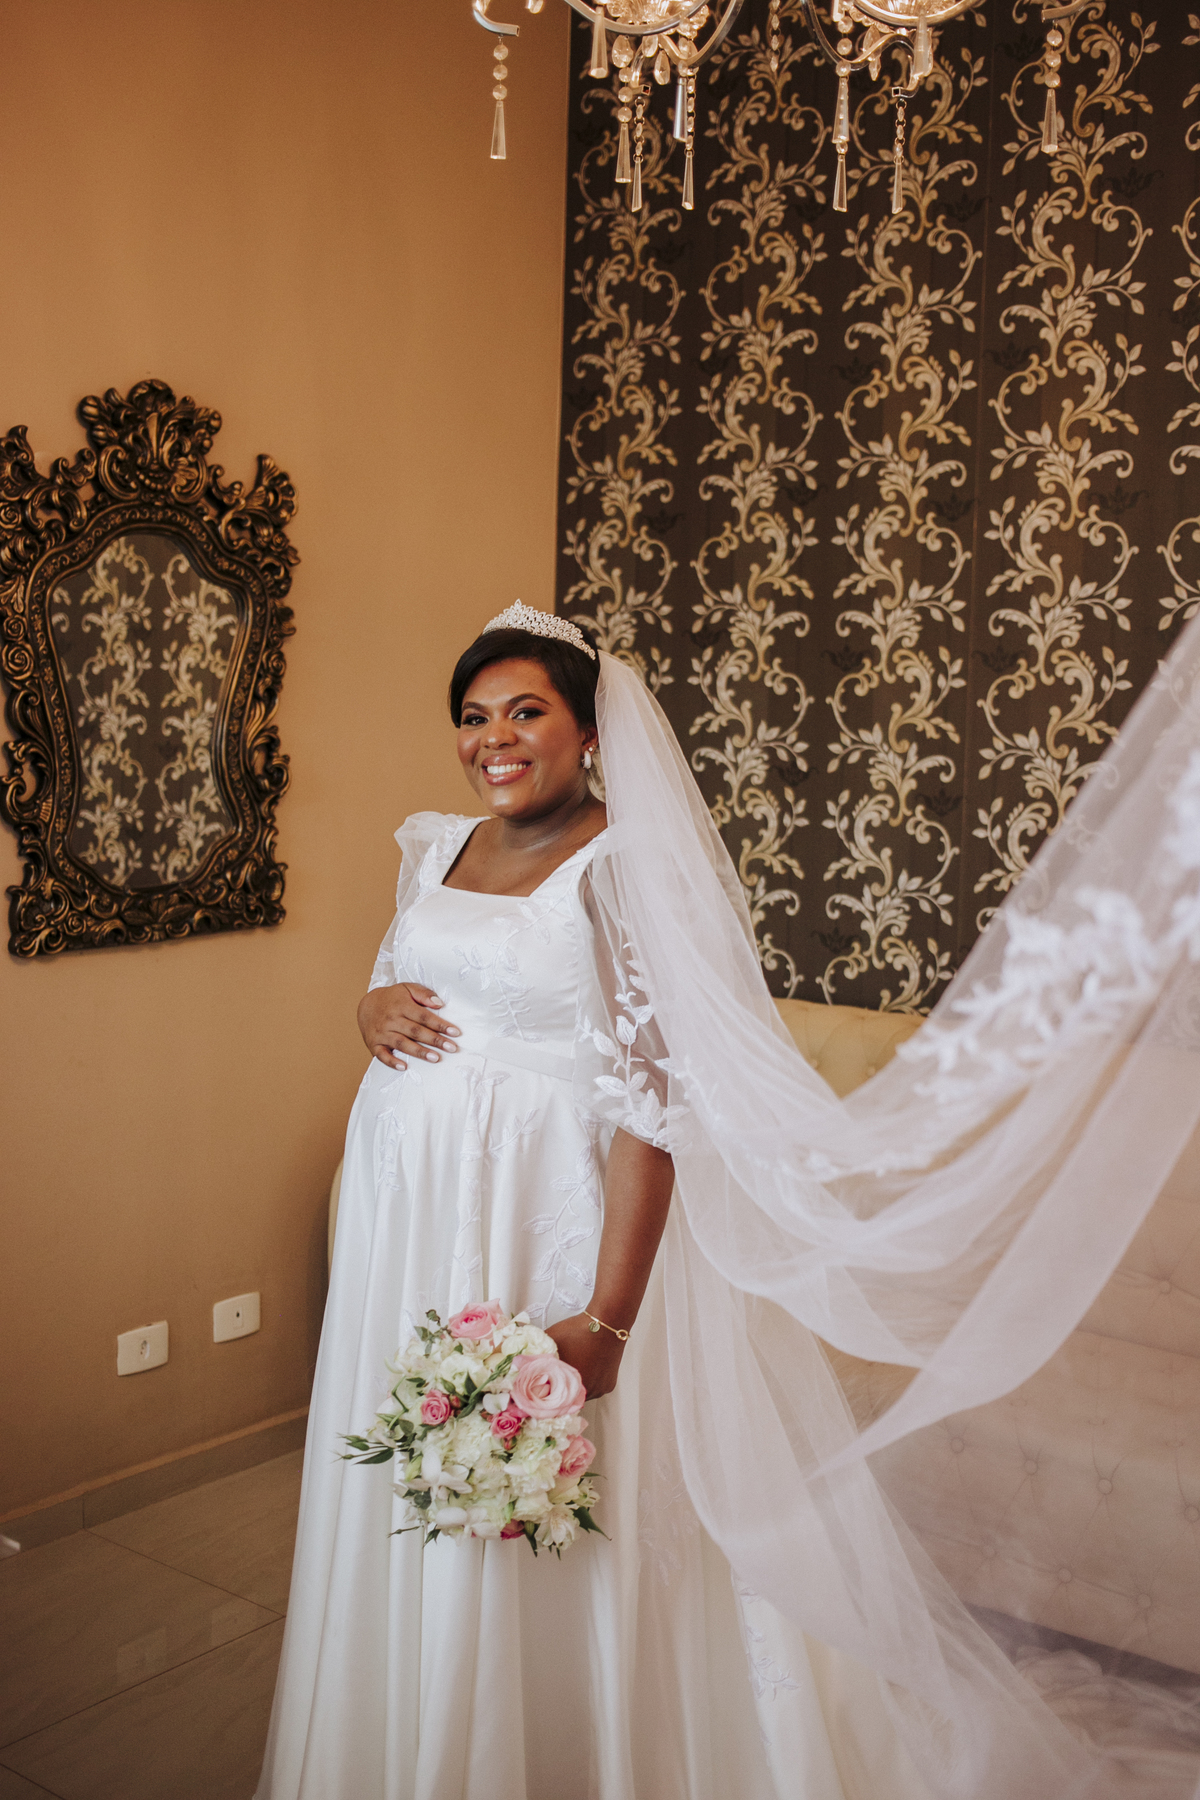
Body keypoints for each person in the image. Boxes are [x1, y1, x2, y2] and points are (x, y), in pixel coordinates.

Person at [261, 602, 1200, 1800]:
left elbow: (653, 1110)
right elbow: (408, 979)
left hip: (540, 1212)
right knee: (408, 1458)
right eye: (474, 715)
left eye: (526, 712)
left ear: (588, 731)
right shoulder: (437, 845)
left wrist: (607, 1320)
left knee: (545, 1488)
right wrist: (366, 1007)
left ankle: (544, 1747)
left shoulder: (618, 870)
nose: (494, 738)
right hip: (409, 1211)